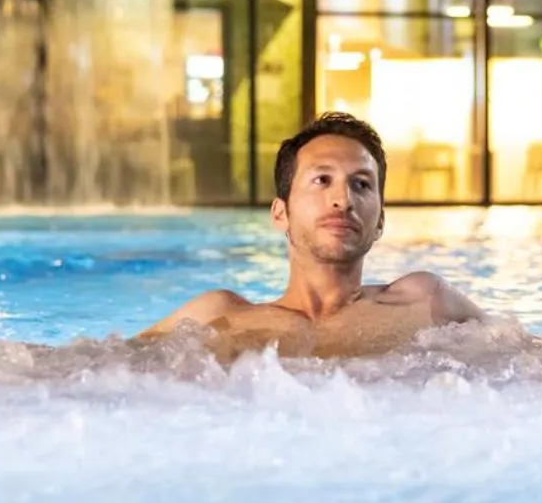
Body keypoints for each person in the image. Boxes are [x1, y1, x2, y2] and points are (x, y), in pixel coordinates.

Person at [138, 112, 484, 357]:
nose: (343, 199)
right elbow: (97, 374)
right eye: (321, 180)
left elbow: (533, 358)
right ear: (280, 212)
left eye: (361, 184)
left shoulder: (426, 302)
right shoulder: (218, 318)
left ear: (380, 221)